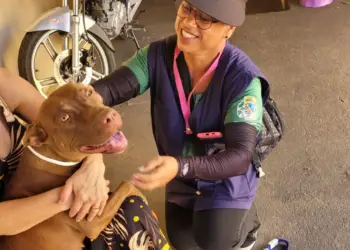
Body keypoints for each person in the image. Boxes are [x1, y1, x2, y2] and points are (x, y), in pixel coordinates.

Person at [92, 0, 271, 249]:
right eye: (187, 8)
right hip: (180, 174)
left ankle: (246, 227)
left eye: (204, 18)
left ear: (229, 28)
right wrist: (86, 123)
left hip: (225, 177)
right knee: (181, 241)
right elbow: (107, 90)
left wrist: (179, 167)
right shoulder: (156, 57)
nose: (187, 22)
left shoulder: (242, 79)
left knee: (215, 240)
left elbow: (240, 156)